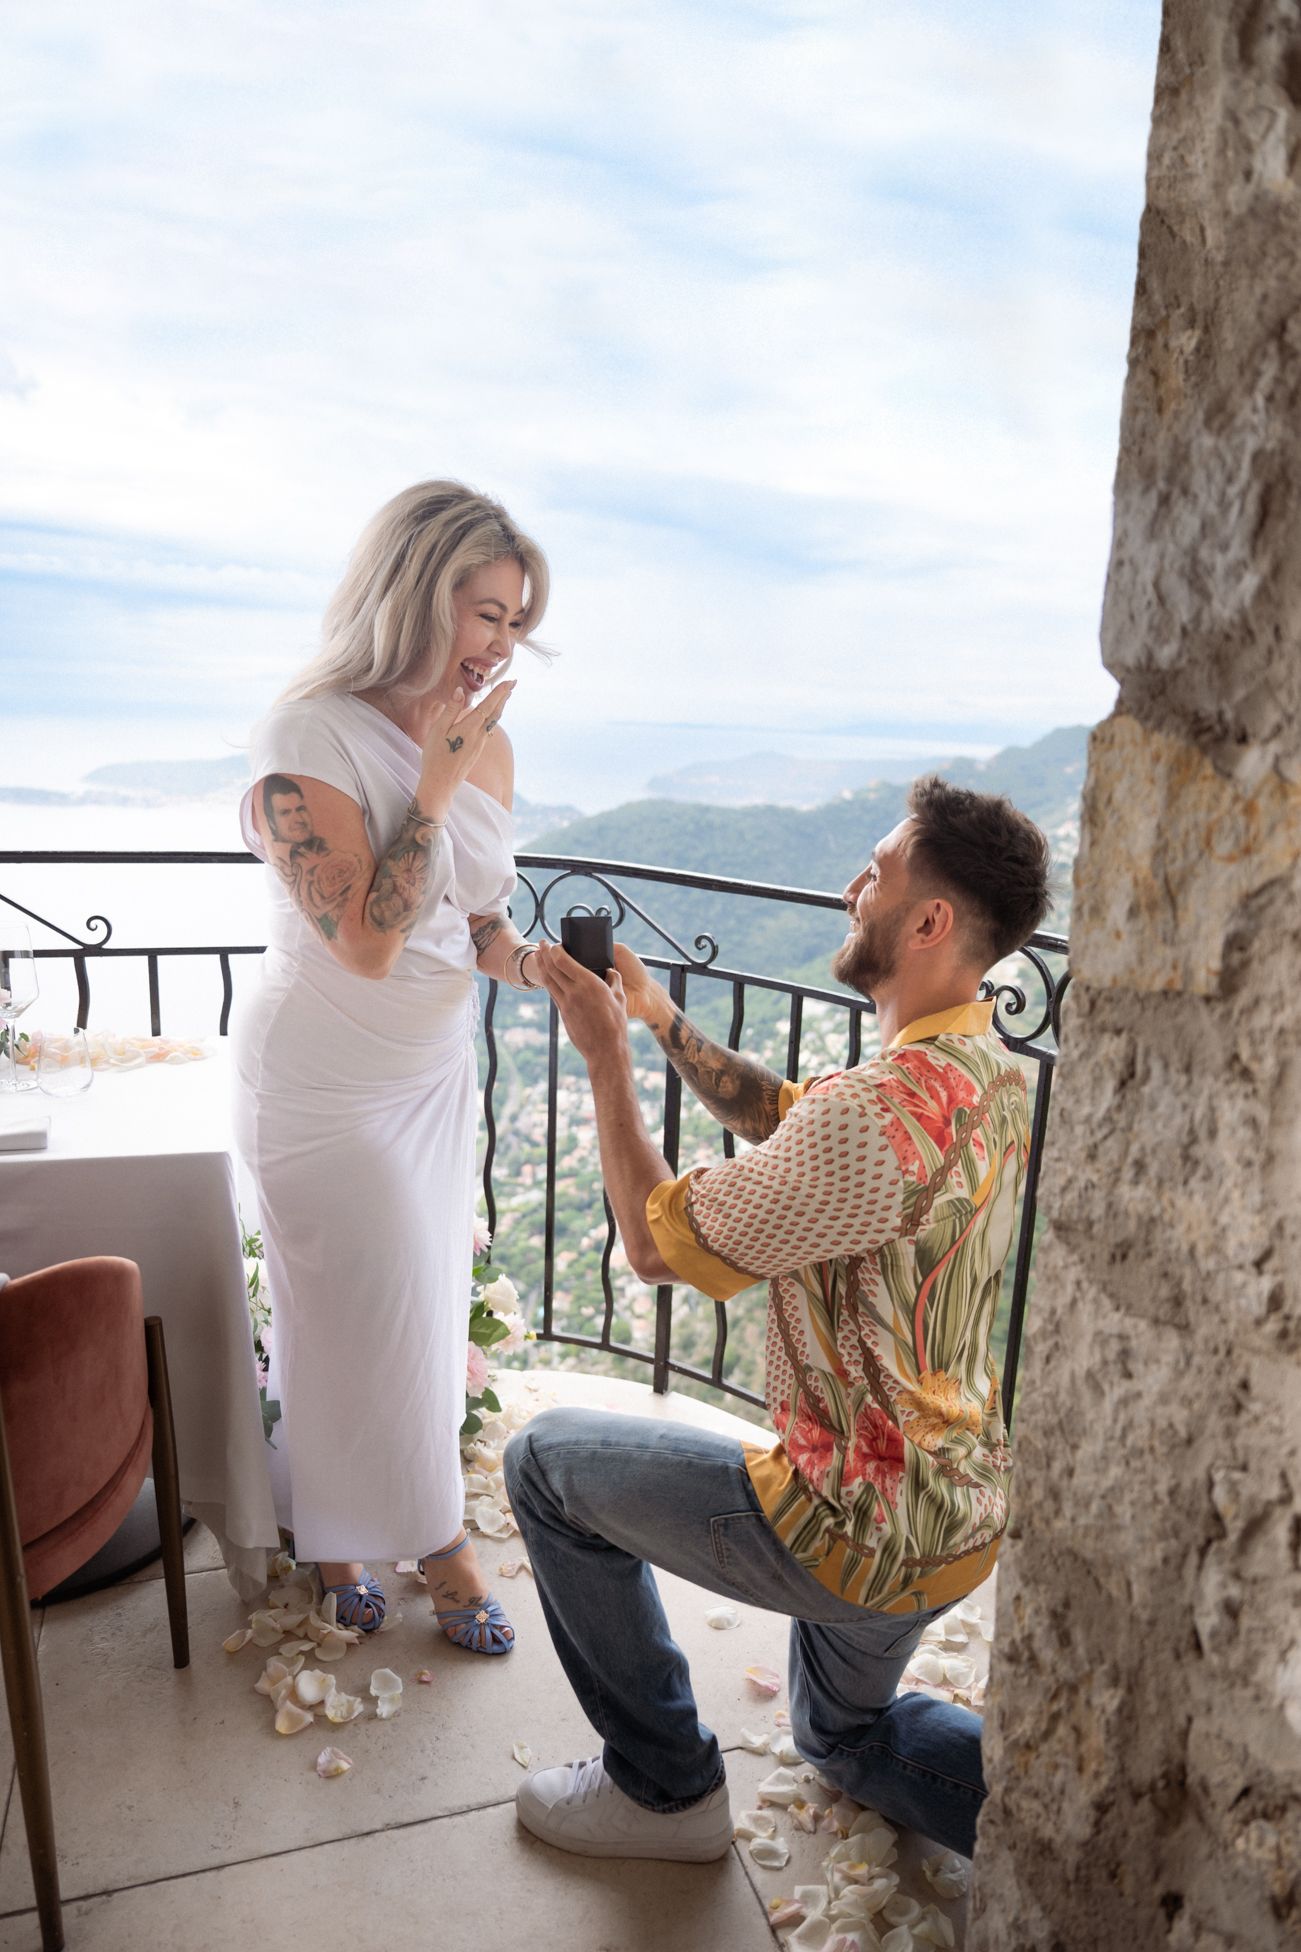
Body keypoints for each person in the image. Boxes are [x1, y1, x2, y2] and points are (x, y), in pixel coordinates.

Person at [504, 776, 1052, 1859]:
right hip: (955, 1515)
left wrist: (607, 1054)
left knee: (541, 1465)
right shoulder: (982, 1070)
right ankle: (1069, 1838)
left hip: (849, 1529)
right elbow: (799, 1125)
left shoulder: (876, 1112)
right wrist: (660, 1020)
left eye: (879, 870)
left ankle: (661, 1790)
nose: (854, 888)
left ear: (930, 921)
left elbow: (654, 1245)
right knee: (837, 1736)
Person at [234, 479, 551, 1652]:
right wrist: (434, 777)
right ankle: (432, 1542)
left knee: (414, 1307)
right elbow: (367, 938)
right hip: (323, 1070)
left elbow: (468, 924)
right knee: (349, 1306)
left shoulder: (492, 744)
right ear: (415, 594)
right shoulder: (300, 738)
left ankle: (345, 1530)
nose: (498, 645)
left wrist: (537, 972)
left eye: (515, 622)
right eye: (483, 612)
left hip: (430, 1071)